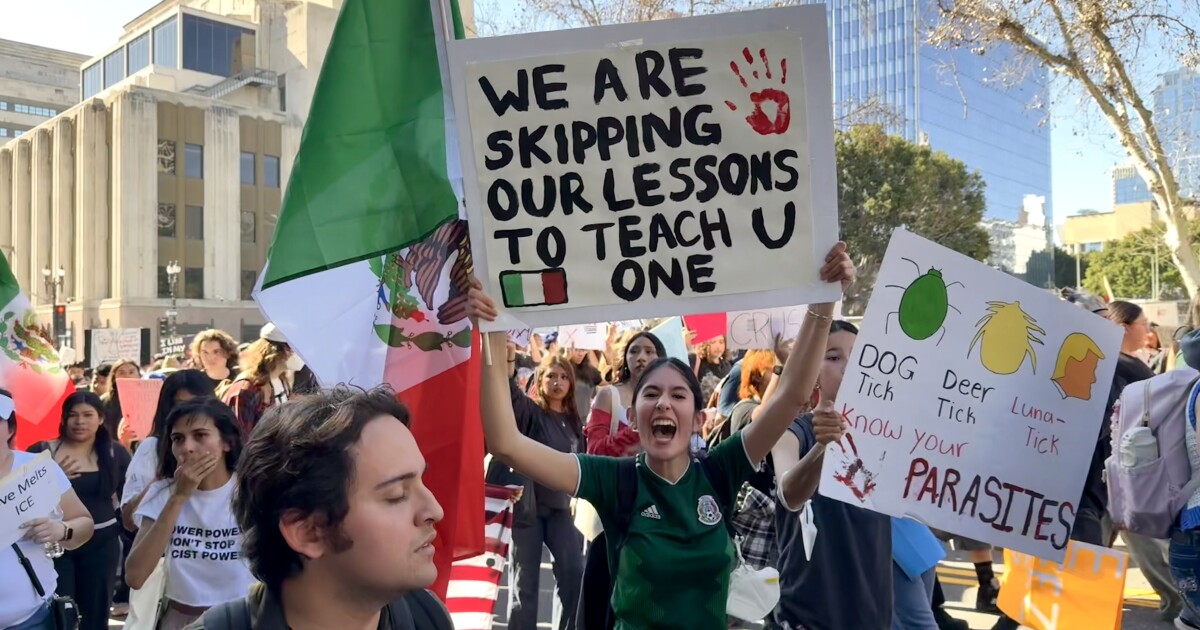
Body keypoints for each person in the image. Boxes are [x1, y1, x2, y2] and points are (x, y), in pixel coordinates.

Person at [473, 242, 855, 628]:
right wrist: (493, 333)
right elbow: (506, 443)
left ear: (695, 418)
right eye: (651, 395)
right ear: (634, 420)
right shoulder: (613, 480)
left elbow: (791, 396)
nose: (663, 404)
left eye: (678, 395)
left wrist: (823, 299)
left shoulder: (720, 470)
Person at [185, 386, 452, 630]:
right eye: (396, 495)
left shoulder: (426, 615)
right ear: (308, 531)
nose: (434, 510)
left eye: (422, 480)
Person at [770, 319, 895, 630]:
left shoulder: (889, 438)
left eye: (859, 355)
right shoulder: (791, 432)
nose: (848, 366)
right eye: (834, 356)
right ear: (813, 371)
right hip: (807, 615)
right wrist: (823, 448)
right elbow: (789, 493)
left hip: (872, 612)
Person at [125, 399, 253, 630]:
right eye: (178, 439)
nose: (187, 447)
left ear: (226, 443)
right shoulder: (162, 492)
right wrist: (179, 497)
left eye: (200, 435)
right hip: (183, 618)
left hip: (244, 615)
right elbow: (135, 575)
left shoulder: (251, 490)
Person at [118, 370, 216, 630]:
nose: (189, 445)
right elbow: (129, 520)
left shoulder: (238, 479)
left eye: (198, 403)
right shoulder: (153, 450)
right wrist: (165, 485)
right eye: (181, 405)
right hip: (163, 576)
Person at [27, 392, 131, 630]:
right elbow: (23, 500)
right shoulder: (42, 451)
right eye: (73, 415)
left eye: (87, 415)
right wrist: (51, 479)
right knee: (60, 612)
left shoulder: (115, 453)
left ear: (101, 419)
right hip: (55, 545)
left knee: (95, 613)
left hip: (102, 544)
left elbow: (130, 498)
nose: (80, 422)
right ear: (63, 419)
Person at [499, 353, 586, 630]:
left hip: (562, 510)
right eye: (551, 376)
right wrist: (508, 361)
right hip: (529, 510)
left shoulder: (574, 422)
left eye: (563, 377)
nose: (557, 382)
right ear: (540, 380)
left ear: (571, 383)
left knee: (574, 575)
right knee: (524, 588)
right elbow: (509, 394)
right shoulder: (531, 413)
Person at [0, 387, 96, 630]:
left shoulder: (37, 469)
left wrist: (59, 530)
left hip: (31, 619)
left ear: (10, 428)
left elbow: (84, 523)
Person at [584, 330, 667, 456]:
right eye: (634, 351)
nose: (641, 358)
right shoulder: (608, 396)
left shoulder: (668, 398)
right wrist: (634, 431)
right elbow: (594, 451)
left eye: (649, 352)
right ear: (626, 359)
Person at [220, 324, 301, 434]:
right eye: (299, 348)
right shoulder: (247, 388)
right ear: (284, 350)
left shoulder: (282, 380)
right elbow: (239, 436)